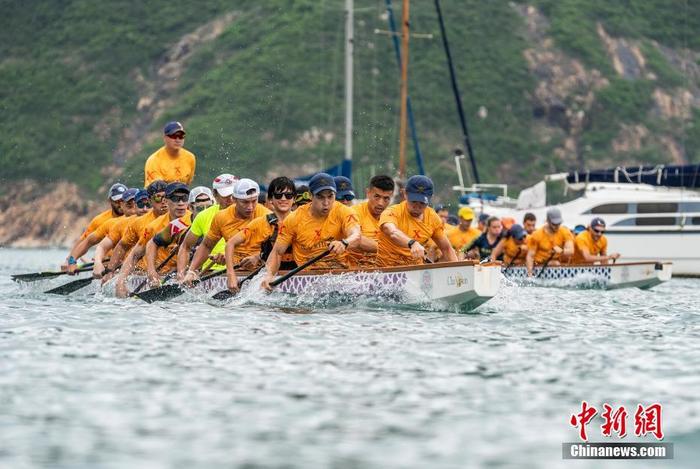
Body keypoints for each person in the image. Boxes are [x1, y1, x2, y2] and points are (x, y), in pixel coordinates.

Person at [260, 173, 361, 291]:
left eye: (330, 196)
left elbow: (356, 235)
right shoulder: (294, 219)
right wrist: (269, 275)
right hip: (308, 281)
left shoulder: (344, 212)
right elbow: (277, 253)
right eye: (320, 197)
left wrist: (344, 242)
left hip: (341, 276)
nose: (326, 202)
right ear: (311, 196)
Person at [183, 178, 270, 284]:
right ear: (234, 199)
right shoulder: (222, 217)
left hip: (262, 272)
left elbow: (278, 249)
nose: (250, 207)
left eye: (254, 201)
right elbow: (206, 246)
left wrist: (258, 257)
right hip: (233, 272)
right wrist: (191, 271)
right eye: (245, 202)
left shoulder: (266, 216)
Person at [115, 182, 191, 296]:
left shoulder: (195, 219)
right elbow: (135, 255)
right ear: (166, 201)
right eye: (175, 199)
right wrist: (120, 283)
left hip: (188, 274)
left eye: (184, 198)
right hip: (163, 276)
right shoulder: (154, 227)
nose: (180, 203)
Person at [224, 177, 297, 292]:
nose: (283, 199)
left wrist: (257, 257)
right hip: (269, 279)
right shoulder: (260, 223)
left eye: (288, 196)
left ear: (294, 199)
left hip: (300, 275)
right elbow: (230, 244)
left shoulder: (302, 220)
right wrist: (231, 274)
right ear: (270, 199)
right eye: (278, 195)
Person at [376, 175, 457, 267]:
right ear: (405, 194)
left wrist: (459, 271)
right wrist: (412, 243)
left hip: (415, 269)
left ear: (430, 198)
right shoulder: (392, 212)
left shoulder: (433, 218)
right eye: (413, 201)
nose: (417, 207)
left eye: (422, 202)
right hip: (386, 269)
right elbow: (392, 232)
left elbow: (447, 249)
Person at [103, 180, 169, 282]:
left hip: (171, 272)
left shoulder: (183, 216)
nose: (163, 201)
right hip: (145, 274)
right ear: (150, 200)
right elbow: (122, 247)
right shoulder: (138, 223)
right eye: (158, 197)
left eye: (166, 196)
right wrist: (110, 271)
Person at [176, 174, 237, 280]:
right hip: (211, 274)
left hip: (244, 270)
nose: (230, 199)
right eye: (225, 196)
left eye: (233, 195)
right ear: (215, 195)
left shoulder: (255, 213)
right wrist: (182, 274)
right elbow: (185, 247)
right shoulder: (203, 216)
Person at [64, 187, 139, 274]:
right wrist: (71, 261)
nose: (134, 210)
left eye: (138, 204)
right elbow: (87, 241)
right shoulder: (109, 223)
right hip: (113, 263)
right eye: (129, 205)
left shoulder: (149, 220)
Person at [92, 189, 150, 279]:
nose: (144, 209)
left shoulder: (160, 220)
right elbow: (101, 246)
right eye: (129, 205)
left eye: (147, 204)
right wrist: (98, 262)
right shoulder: (119, 224)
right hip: (130, 271)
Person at [346, 175, 395, 267]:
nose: (380, 203)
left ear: (391, 197)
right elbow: (356, 239)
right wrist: (389, 249)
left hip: (384, 268)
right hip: (357, 268)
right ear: (368, 193)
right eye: (377, 196)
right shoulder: (353, 213)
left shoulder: (394, 215)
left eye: (386, 198)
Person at [144, 121, 196, 186]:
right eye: (174, 136)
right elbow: (155, 189)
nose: (177, 140)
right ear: (165, 138)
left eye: (181, 136)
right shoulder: (154, 160)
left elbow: (187, 184)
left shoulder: (190, 158)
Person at [525, 207, 574, 276]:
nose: (557, 226)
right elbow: (530, 256)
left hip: (556, 264)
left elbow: (571, 251)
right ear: (547, 221)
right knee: (555, 263)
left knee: (556, 263)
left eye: (559, 223)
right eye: (554, 224)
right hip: (539, 265)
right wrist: (530, 273)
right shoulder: (537, 235)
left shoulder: (565, 231)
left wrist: (561, 251)